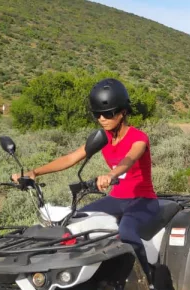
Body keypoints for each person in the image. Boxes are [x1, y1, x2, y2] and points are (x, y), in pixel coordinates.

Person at [11, 78, 158, 278]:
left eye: (108, 113)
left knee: (127, 231)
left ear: (123, 112)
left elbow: (130, 158)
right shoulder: (104, 138)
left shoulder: (139, 138)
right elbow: (70, 158)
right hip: (116, 199)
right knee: (72, 223)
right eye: (97, 114)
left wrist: (111, 174)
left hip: (143, 200)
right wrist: (34, 172)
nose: (102, 118)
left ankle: (147, 280)